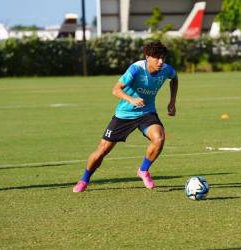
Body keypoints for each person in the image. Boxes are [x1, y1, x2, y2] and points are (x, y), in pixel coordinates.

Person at [73, 41, 178, 192]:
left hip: (146, 113)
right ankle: (84, 179)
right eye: (157, 58)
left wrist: (172, 102)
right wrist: (131, 99)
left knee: (159, 138)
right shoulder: (136, 69)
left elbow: (174, 78)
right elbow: (115, 90)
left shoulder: (166, 69)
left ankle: (143, 170)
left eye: (163, 58)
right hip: (124, 115)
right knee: (101, 151)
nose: (161, 62)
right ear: (147, 57)